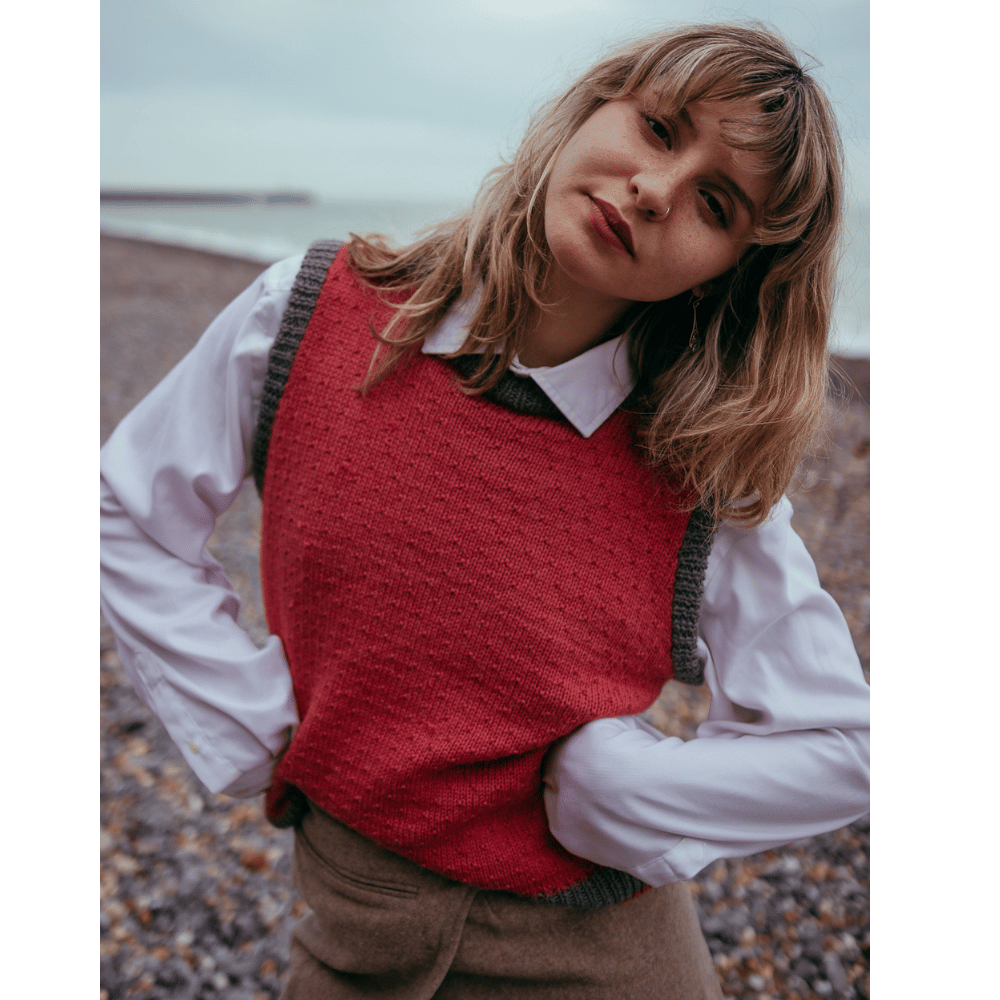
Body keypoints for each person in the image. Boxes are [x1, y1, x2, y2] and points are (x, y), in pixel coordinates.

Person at [100, 22, 869, 1000]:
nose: (653, 190)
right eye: (661, 129)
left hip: (607, 958)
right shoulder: (309, 314)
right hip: (356, 935)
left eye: (714, 203)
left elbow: (845, 744)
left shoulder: (699, 463)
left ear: (725, 267)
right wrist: (247, 723)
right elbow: (124, 507)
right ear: (597, 103)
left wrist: (629, 794)